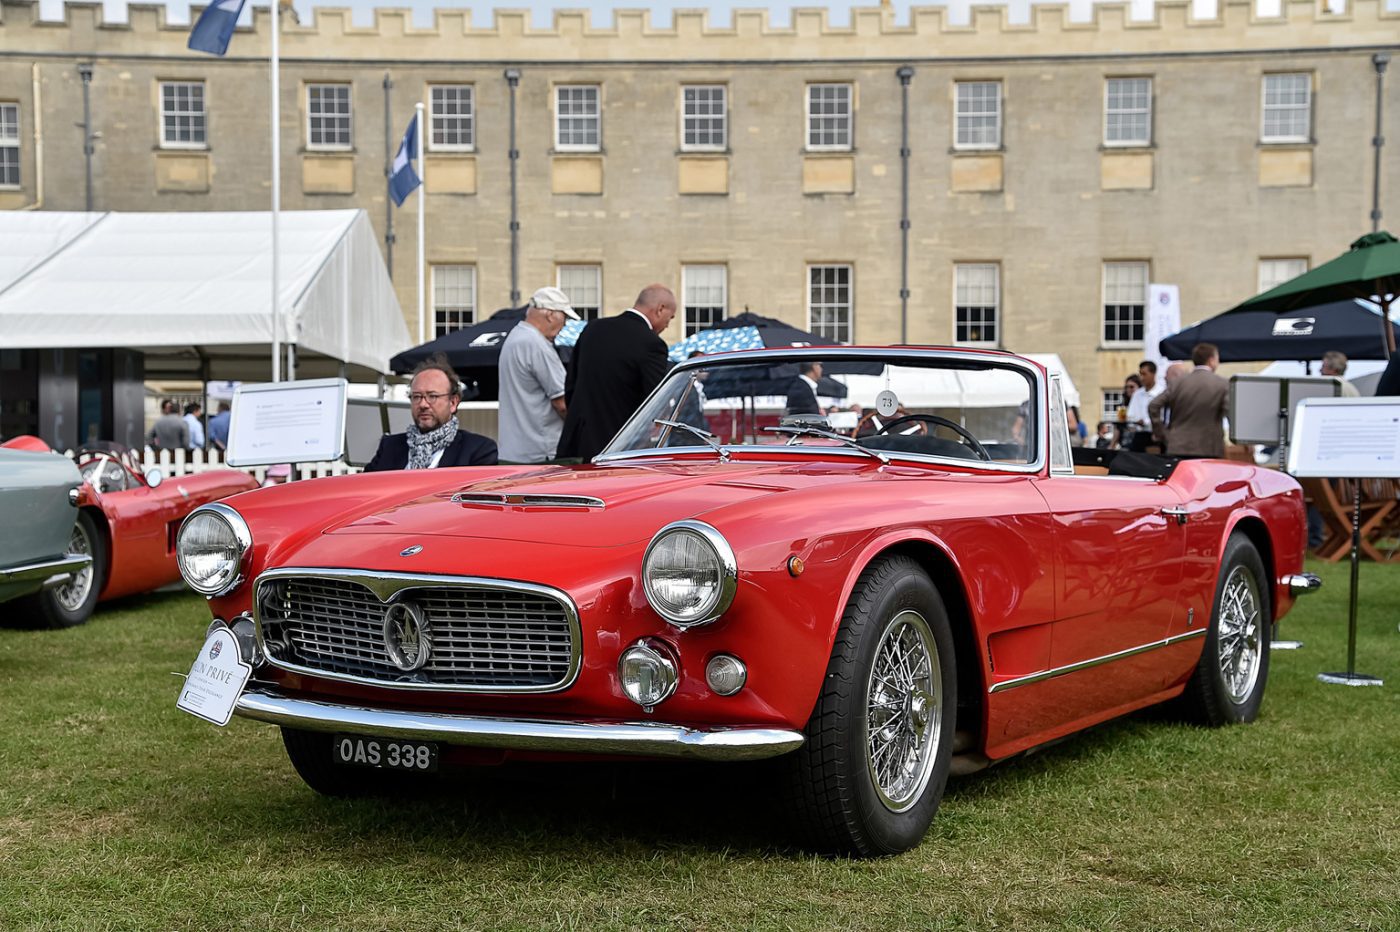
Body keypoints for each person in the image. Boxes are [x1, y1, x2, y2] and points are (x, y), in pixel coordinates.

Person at [557, 284, 676, 462]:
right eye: (670, 318)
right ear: (660, 309)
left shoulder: (593, 328)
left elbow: (571, 384)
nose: (667, 325)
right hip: (617, 447)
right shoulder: (652, 343)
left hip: (575, 440)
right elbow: (655, 400)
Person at [365, 355, 497, 470]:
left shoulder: (478, 450)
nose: (423, 404)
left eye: (432, 396)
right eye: (417, 396)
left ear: (453, 402)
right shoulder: (389, 447)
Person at [497, 286, 579, 463]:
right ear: (550, 315)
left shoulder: (514, 338)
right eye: (564, 318)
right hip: (542, 454)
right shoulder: (538, 344)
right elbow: (562, 403)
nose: (565, 325)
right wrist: (582, 432)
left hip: (512, 454)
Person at [1149, 342, 1228, 458]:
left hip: (1177, 445)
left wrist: (1161, 432)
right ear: (1211, 360)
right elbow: (1230, 413)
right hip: (1209, 447)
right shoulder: (1222, 384)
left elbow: (1153, 405)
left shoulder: (1178, 383)